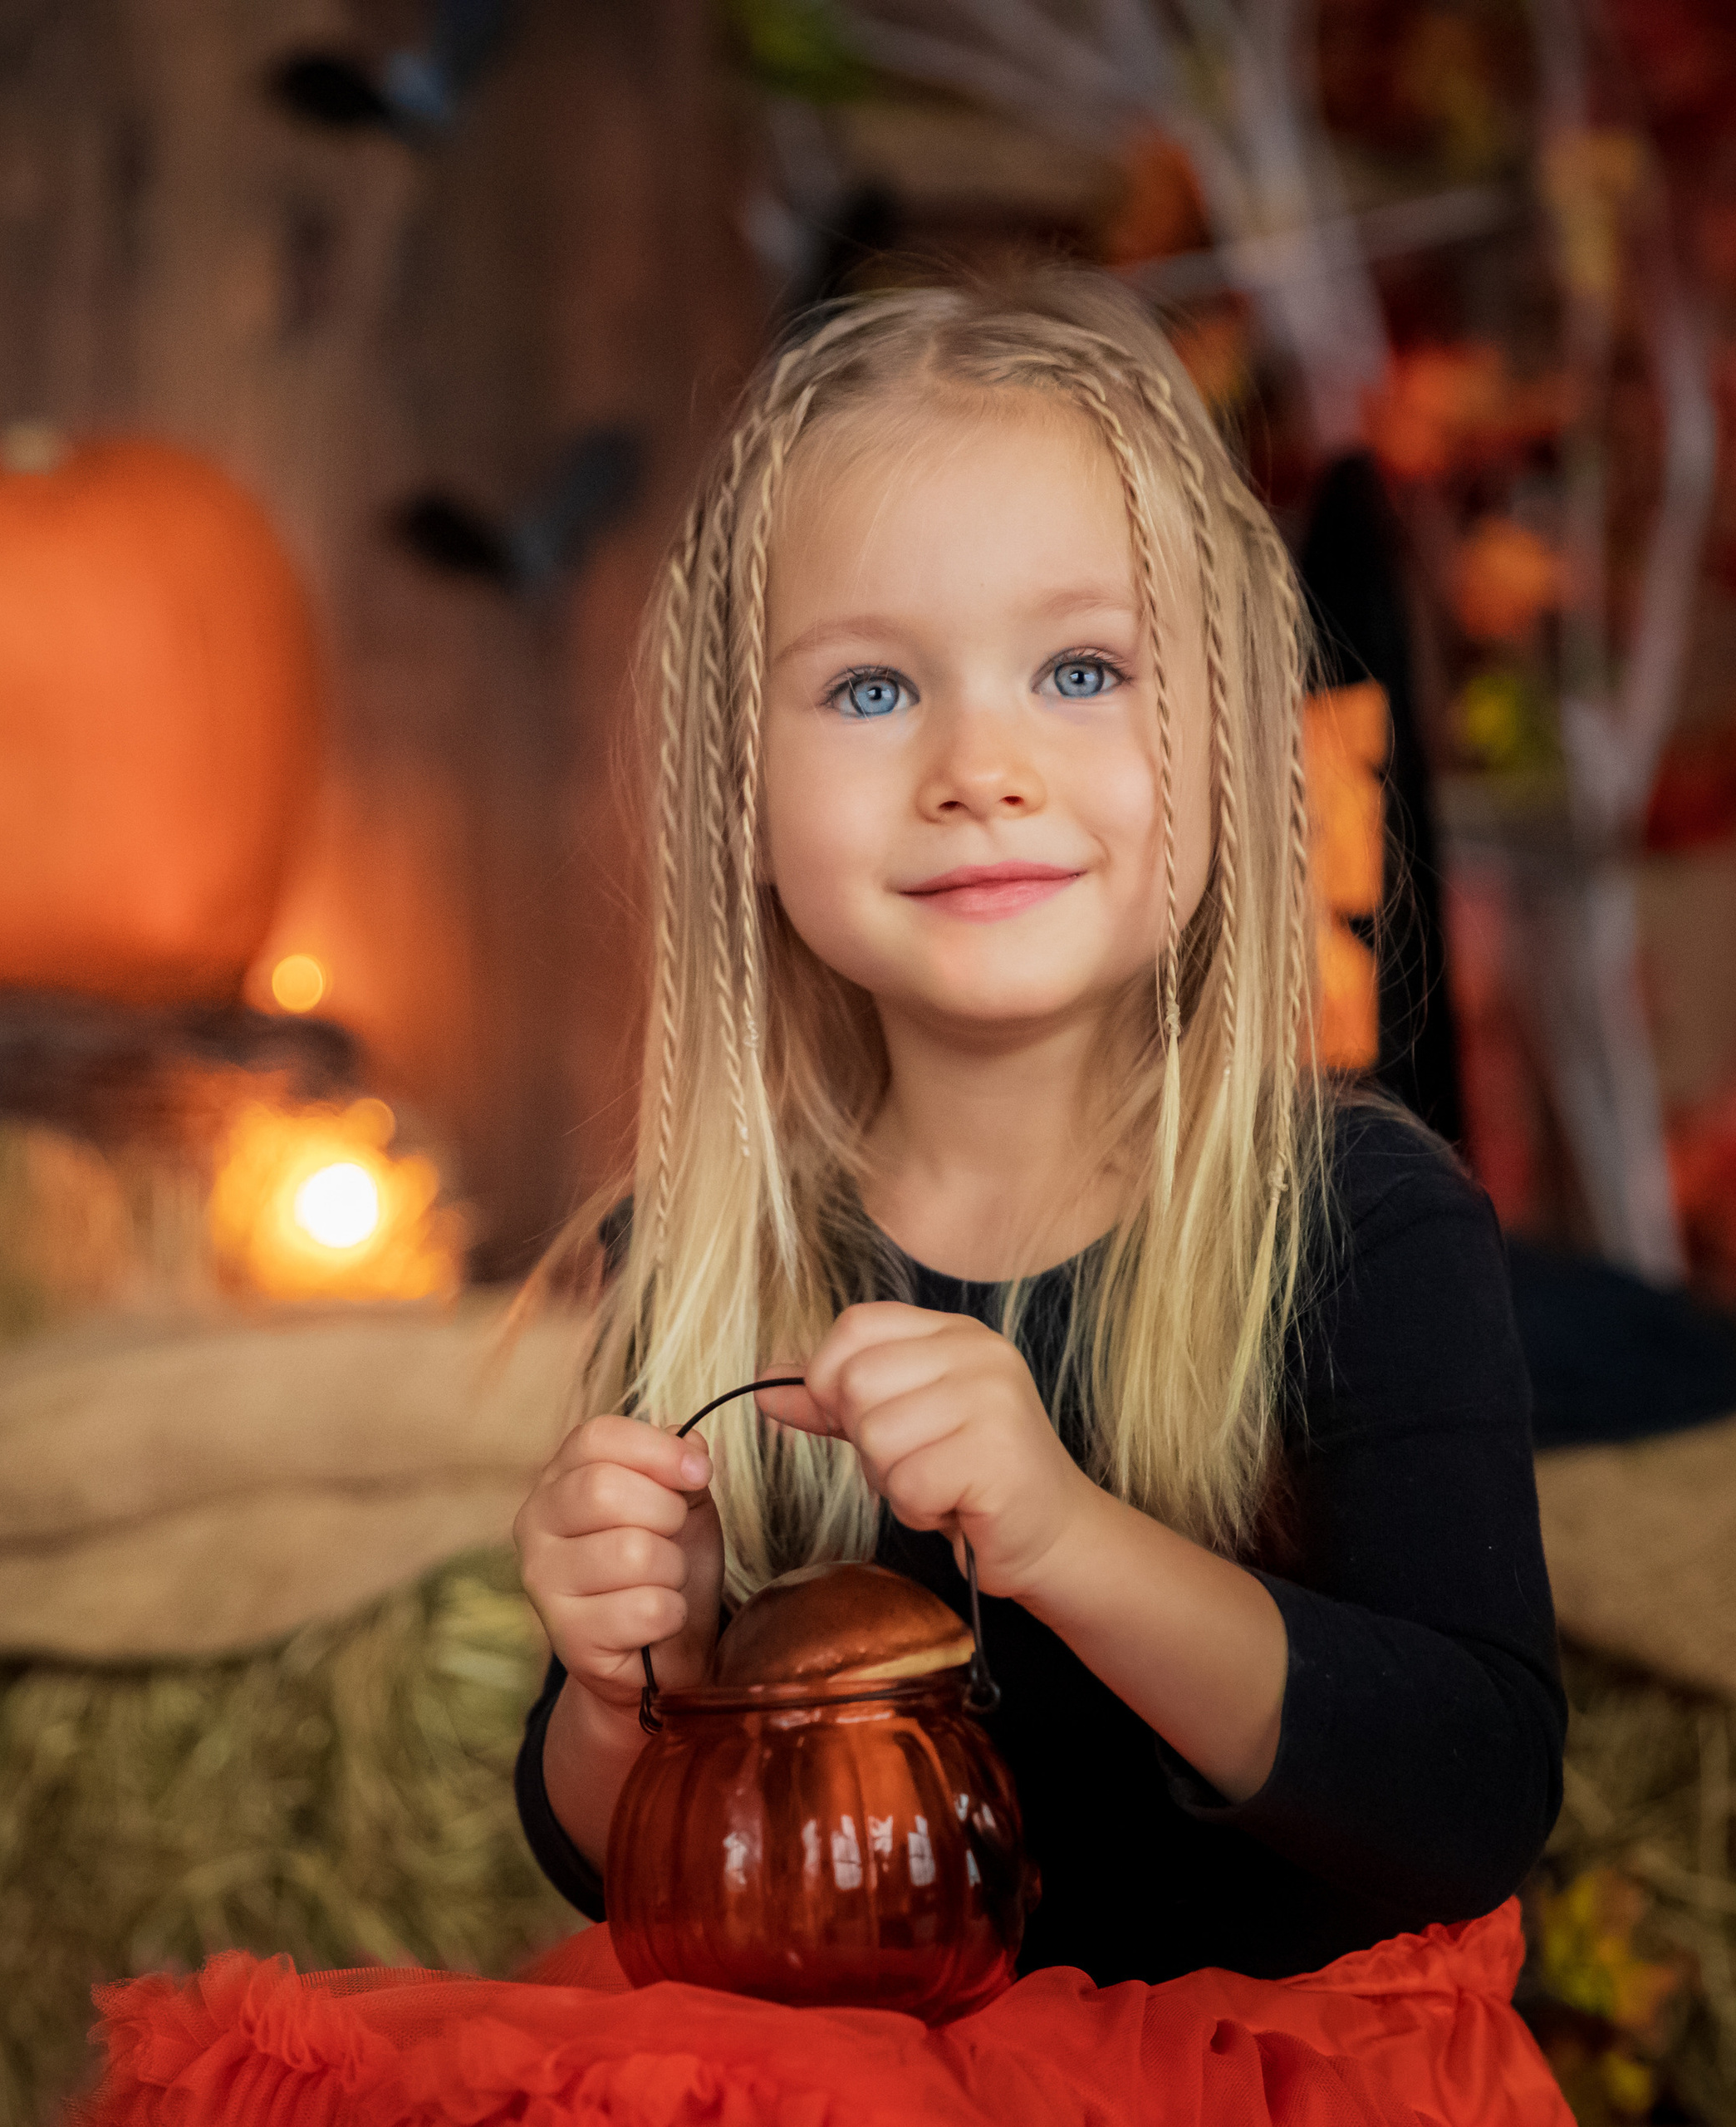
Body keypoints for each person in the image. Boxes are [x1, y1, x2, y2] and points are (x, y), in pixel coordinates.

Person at [509, 267, 1567, 1992]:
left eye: (1081, 669)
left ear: (1228, 740)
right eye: (870, 690)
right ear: (738, 788)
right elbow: (593, 1852)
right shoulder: (703, 1253)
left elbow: (1469, 1792)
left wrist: (1065, 1536)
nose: (978, 767)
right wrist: (635, 1678)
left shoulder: (1359, 1219)